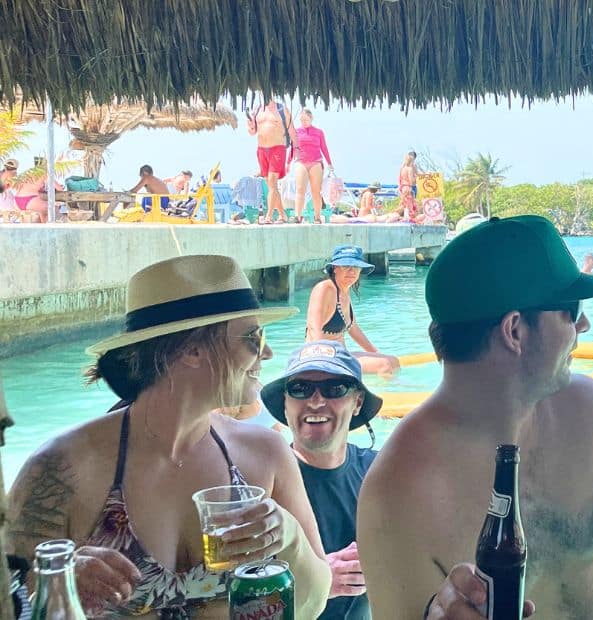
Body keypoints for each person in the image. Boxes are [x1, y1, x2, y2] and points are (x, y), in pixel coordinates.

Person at [357, 215, 593, 620]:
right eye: (571, 310)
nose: (584, 324)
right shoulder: (397, 494)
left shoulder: (588, 411)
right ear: (514, 330)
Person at [6, 255, 330, 617]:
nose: (267, 353)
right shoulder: (61, 468)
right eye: (254, 338)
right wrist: (58, 581)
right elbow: (12, 602)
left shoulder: (266, 454)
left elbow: (313, 603)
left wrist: (286, 535)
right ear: (191, 350)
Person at [261, 341, 383, 620]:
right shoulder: (262, 483)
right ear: (285, 401)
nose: (315, 401)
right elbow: (232, 596)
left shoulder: (381, 475)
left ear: (357, 402)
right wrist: (315, 579)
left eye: (334, 389)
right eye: (300, 389)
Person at [307, 245, 401, 375]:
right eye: (346, 266)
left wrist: (376, 353)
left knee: (393, 361)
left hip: (340, 355)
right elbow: (313, 328)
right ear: (335, 268)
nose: (352, 272)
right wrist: (322, 364)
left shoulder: (344, 291)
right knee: (384, 365)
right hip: (320, 357)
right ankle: (386, 393)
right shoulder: (325, 289)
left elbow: (353, 328)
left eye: (356, 267)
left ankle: (394, 388)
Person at [247, 96, 296, 223]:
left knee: (273, 182)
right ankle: (282, 215)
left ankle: (268, 216)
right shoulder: (257, 110)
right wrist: (251, 126)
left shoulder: (282, 109)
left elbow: (292, 130)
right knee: (270, 185)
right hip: (262, 150)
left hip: (277, 149)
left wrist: (297, 149)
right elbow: (252, 132)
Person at [289, 108, 333, 224]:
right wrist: (288, 163)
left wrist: (329, 163)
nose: (304, 122)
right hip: (301, 162)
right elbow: (293, 148)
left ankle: (317, 217)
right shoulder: (296, 132)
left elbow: (324, 148)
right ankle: (298, 216)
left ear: (311, 119)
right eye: (302, 120)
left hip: (316, 162)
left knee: (316, 191)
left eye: (306, 120)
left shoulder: (319, 132)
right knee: (300, 189)